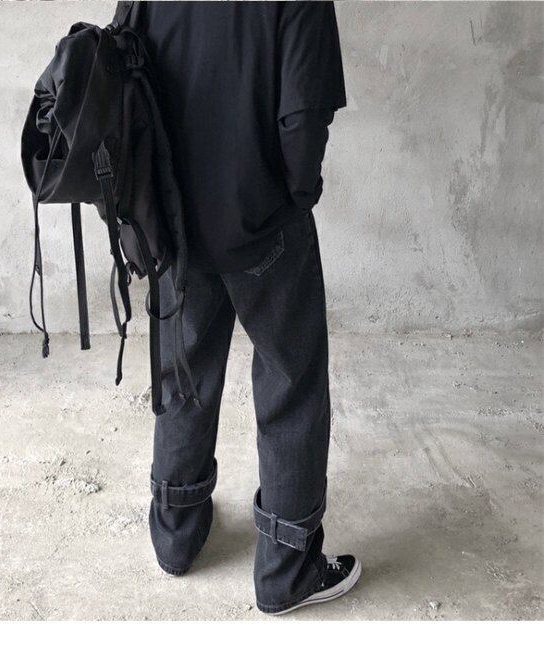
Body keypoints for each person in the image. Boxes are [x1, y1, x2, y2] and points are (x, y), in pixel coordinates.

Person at [140, 1, 360, 615]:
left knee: (183, 371)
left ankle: (175, 534)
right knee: (292, 381)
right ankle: (287, 570)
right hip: (261, 221)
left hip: (173, 218)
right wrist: (296, 196)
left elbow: (128, 76)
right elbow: (302, 115)